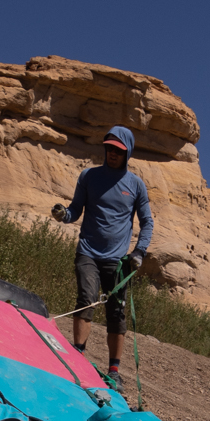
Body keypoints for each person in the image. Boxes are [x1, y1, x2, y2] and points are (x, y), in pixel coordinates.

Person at [52, 124, 153, 369]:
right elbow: (76, 208)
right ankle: (77, 358)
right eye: (109, 148)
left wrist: (139, 252)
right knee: (86, 298)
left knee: (116, 313)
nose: (112, 153)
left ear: (127, 152)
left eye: (118, 150)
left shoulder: (136, 185)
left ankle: (114, 369)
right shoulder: (89, 176)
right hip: (88, 251)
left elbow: (147, 221)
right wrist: (65, 215)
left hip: (117, 260)